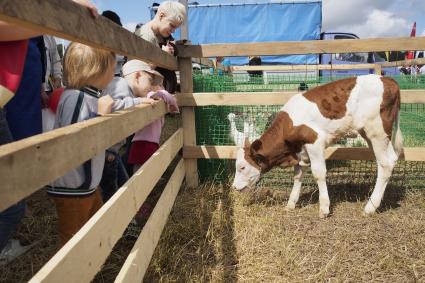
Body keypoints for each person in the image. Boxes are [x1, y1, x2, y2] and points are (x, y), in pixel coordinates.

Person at [0, 0, 100, 262]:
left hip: (16, 91)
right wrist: (57, 15)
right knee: (13, 182)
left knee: (20, 153)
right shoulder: (76, 99)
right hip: (10, 92)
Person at [46, 42, 115, 247]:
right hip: (73, 185)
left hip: (86, 183)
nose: (113, 73)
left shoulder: (90, 97)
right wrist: (100, 116)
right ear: (96, 70)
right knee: (72, 240)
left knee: (94, 226)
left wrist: (140, 102)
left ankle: (89, 265)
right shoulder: (76, 98)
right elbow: (75, 141)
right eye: (111, 68)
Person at [122, 59, 179, 223]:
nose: (158, 86)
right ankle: (138, 212)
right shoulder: (150, 96)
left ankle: (140, 208)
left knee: (142, 177)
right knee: (141, 179)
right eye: (153, 82)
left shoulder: (147, 98)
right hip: (143, 145)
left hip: (144, 144)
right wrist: (171, 103)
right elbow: (168, 97)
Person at [135, 0, 186, 93]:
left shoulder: (162, 35)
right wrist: (162, 56)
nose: (174, 31)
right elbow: (140, 70)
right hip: (150, 97)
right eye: (172, 25)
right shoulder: (145, 36)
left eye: (175, 28)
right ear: (161, 16)